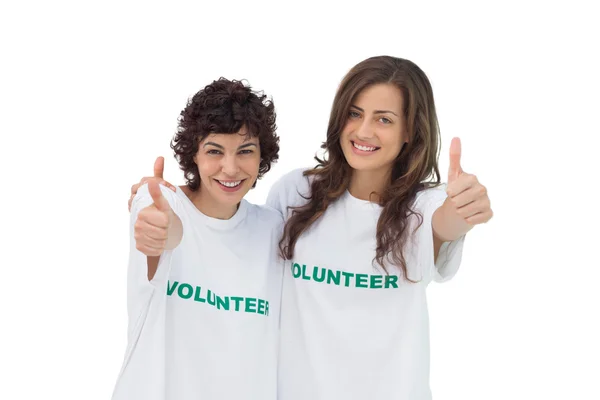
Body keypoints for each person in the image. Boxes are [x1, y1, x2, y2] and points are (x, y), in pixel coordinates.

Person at [131, 56, 493, 400]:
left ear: (410, 131)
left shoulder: (422, 206)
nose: (364, 130)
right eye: (355, 113)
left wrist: (463, 208)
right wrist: (168, 219)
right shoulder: (295, 194)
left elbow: (445, 223)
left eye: (384, 119)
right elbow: (208, 234)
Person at [112, 78, 284, 400]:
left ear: (262, 157)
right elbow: (168, 230)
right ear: (194, 154)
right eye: (214, 151)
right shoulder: (160, 202)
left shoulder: (273, 230)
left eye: (245, 151)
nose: (230, 168)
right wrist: (158, 231)